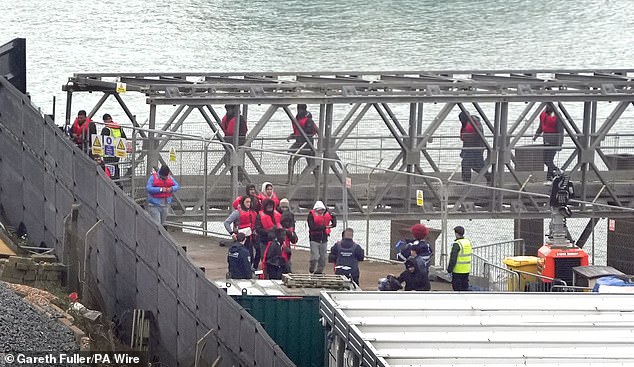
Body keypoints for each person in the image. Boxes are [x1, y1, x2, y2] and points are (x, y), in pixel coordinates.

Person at [287, 104, 318, 184]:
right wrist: (292, 136)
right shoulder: (297, 119)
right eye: (298, 109)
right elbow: (298, 132)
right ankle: (289, 180)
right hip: (299, 143)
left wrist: (295, 135)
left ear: (304, 110)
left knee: (312, 163)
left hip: (307, 145)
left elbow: (309, 133)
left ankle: (318, 180)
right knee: (292, 160)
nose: (299, 111)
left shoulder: (308, 120)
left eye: (300, 109)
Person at [224, 195, 257, 268]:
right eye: (247, 202)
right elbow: (226, 223)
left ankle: (248, 271)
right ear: (243, 202)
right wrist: (232, 233)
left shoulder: (253, 213)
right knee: (239, 257)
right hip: (239, 239)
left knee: (250, 256)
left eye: (250, 202)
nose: (249, 204)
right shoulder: (237, 213)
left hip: (249, 239)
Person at [458, 111, 491, 184]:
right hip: (476, 148)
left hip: (474, 149)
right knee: (476, 166)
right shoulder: (473, 123)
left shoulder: (471, 125)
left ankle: (466, 182)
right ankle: (489, 177)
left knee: (466, 164)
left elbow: (467, 139)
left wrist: (464, 151)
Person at [533, 104, 563, 181]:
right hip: (546, 140)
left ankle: (552, 175)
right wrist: (536, 135)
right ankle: (554, 174)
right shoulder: (543, 114)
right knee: (546, 160)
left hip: (554, 141)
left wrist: (560, 144)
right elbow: (541, 126)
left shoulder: (557, 115)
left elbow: (560, 130)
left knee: (549, 160)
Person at [307, 201, 336, 274]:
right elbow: (312, 227)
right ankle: (312, 266)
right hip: (314, 239)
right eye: (319, 210)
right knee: (315, 257)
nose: (321, 212)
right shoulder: (311, 215)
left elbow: (333, 223)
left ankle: (319, 272)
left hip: (324, 239)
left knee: (323, 258)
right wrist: (323, 227)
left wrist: (334, 218)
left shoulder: (327, 214)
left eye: (322, 210)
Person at [221, 105, 247, 181]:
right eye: (227, 109)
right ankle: (237, 177)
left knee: (231, 160)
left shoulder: (240, 119)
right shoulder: (228, 118)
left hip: (237, 143)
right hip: (229, 142)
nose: (228, 111)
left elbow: (243, 131)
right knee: (228, 160)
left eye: (229, 109)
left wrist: (240, 142)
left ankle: (238, 178)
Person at [255, 199, 281, 269]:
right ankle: (264, 274)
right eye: (268, 205)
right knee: (265, 259)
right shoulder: (259, 216)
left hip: (276, 241)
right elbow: (258, 229)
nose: (270, 207)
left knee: (276, 258)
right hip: (264, 241)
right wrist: (269, 232)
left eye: (271, 205)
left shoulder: (277, 214)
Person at [100, 113, 127, 180]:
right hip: (118, 151)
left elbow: (102, 140)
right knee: (116, 165)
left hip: (108, 152)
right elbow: (124, 138)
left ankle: (110, 181)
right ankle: (117, 180)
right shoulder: (119, 127)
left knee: (109, 167)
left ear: (104, 121)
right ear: (111, 119)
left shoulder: (106, 129)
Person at [447, 226, 472, 291]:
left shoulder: (457, 244)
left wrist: (449, 270)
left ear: (456, 234)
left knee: (457, 290)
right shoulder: (468, 242)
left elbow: (453, 259)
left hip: (457, 271)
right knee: (465, 288)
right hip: (466, 270)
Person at [277, 198, 297, 271]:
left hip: (287, 238)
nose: (284, 209)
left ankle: (287, 269)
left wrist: (291, 233)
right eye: (283, 207)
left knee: (287, 254)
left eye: (286, 207)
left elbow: (292, 225)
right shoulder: (277, 214)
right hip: (279, 237)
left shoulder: (291, 215)